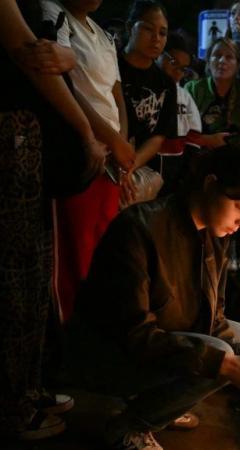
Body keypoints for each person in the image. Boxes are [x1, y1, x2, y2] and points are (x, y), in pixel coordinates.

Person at [66, 144, 240, 449]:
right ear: (210, 184)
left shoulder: (214, 237)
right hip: (108, 354)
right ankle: (129, 426)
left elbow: (215, 319)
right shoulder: (139, 229)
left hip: (167, 338)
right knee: (219, 355)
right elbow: (135, 335)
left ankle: (163, 402)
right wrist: (226, 363)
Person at [0, 0, 104, 440]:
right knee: (16, 273)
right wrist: (85, 130)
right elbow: (29, 53)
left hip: (29, 137)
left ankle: (29, 385)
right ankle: (12, 406)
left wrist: (70, 58)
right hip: (11, 135)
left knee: (36, 268)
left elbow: (49, 54)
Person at [42, 0, 137, 322]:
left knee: (102, 247)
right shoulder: (54, 15)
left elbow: (116, 96)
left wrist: (120, 143)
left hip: (111, 156)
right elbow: (69, 88)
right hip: (81, 150)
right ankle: (73, 334)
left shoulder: (102, 35)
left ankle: (98, 329)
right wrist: (110, 141)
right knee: (76, 253)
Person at [185, 37, 240, 294]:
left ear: (237, 64)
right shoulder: (194, 90)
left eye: (228, 57)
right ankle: (204, 279)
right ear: (208, 61)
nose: (221, 62)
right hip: (203, 170)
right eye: (216, 56)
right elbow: (182, 132)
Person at [155, 33, 230, 195]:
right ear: (160, 54)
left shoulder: (184, 97)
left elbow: (193, 137)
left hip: (174, 169)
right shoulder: (147, 90)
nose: (177, 72)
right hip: (145, 166)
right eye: (173, 62)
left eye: (183, 69)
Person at [119, 0, 178, 203]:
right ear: (129, 27)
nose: (156, 39)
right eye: (148, 29)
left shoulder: (166, 84)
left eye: (162, 33)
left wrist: (129, 167)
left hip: (140, 169)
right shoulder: (110, 67)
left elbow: (158, 136)